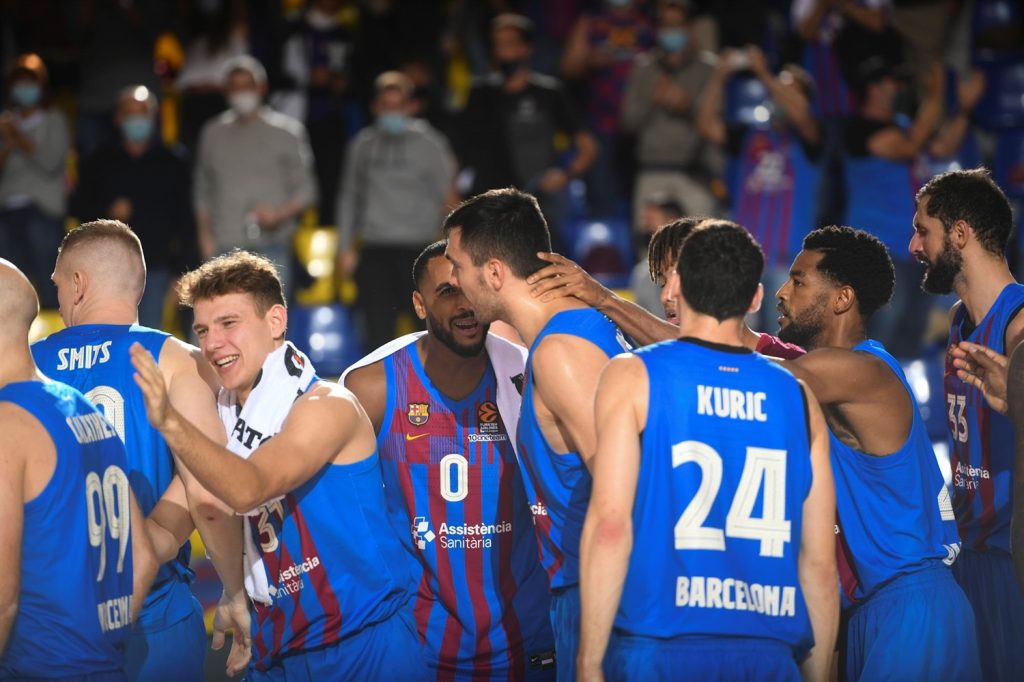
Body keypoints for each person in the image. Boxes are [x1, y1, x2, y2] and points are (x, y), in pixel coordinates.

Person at [129, 250, 425, 680]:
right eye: (203, 330)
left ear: (276, 321)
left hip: (363, 647)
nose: (212, 344)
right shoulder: (220, 424)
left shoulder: (327, 406)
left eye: (229, 323)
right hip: (275, 649)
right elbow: (163, 530)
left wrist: (172, 424)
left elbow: (249, 488)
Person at [577, 220, 838, 681]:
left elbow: (611, 526)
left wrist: (588, 661)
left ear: (675, 286)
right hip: (767, 653)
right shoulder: (797, 396)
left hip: (660, 644)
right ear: (755, 298)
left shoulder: (631, 376)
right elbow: (818, 563)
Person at [31, 219, 250, 680]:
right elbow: (208, 494)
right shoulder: (179, 360)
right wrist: (233, 589)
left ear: (78, 284)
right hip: (155, 619)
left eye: (57, 283)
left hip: (51, 624)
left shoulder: (24, 366)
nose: (58, 295)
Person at [342, 241, 556, 680]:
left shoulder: (530, 375)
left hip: (527, 636)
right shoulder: (371, 388)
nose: (465, 305)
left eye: (471, 289)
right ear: (419, 305)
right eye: (446, 292)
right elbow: (350, 524)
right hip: (419, 646)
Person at [443, 188, 631, 680]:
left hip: (603, 599)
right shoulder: (581, 330)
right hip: (593, 590)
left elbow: (628, 499)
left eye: (457, 266)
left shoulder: (561, 353)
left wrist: (593, 654)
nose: (453, 281)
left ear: (494, 273)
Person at [776, 225, 980, 680]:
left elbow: (740, 368)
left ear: (842, 298)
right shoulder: (841, 371)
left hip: (912, 606)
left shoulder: (863, 370)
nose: (782, 293)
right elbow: (737, 349)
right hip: (876, 606)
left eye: (799, 281)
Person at [0, 257, 158, 679]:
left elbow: (2, 598)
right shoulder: (84, 407)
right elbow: (143, 557)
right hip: (102, 664)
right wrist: (96, 648)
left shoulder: (7, 424)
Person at [910, 168, 1024, 682]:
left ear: (960, 233)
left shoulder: (1018, 323)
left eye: (923, 230)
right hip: (968, 551)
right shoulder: (959, 318)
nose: (913, 245)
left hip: (1010, 559)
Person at [525, 218, 805, 359]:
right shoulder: (652, 366)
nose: (667, 295)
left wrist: (603, 298)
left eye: (681, 278)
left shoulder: (790, 363)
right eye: (662, 281)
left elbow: (708, 354)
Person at [697, 46, 822, 333]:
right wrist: (719, 77)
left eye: (789, 90)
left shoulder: (812, 137)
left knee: (780, 341)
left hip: (787, 261)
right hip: (744, 259)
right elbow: (705, 124)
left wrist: (764, 73)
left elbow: (801, 116)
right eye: (778, 88)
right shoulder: (750, 134)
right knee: (736, 337)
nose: (779, 94)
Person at [335, 71, 457, 351]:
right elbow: (349, 197)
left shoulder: (431, 144)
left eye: (398, 105)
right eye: (386, 105)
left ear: (411, 106)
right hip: (375, 250)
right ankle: (384, 383)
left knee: (429, 332)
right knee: (377, 336)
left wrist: (456, 250)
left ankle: (430, 381)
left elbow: (449, 198)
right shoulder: (361, 145)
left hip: (420, 250)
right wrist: (345, 248)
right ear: (375, 107)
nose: (392, 112)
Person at [456, 14, 598, 247]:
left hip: (536, 202)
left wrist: (564, 175)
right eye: (498, 45)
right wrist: (453, 192)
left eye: (509, 44)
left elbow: (588, 148)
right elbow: (460, 149)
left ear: (526, 48)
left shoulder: (548, 93)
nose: (503, 52)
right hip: (487, 204)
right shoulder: (479, 95)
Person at [72, 85, 197, 329]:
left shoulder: (173, 161)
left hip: (157, 269)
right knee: (109, 337)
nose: (137, 120)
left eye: (143, 113)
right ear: (118, 118)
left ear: (154, 117)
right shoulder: (98, 161)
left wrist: (182, 272)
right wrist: (107, 212)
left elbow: (185, 221)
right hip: (107, 271)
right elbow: (79, 210)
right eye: (130, 113)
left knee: (147, 339)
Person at [194, 55, 317, 299]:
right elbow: (202, 188)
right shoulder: (212, 133)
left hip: (273, 246)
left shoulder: (287, 132)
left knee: (270, 318)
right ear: (226, 91)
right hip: (223, 246)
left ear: (262, 88)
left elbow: (307, 190)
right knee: (223, 316)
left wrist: (279, 214)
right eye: (235, 86)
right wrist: (205, 235)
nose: (242, 93)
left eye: (247, 85)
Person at [844, 58, 943, 357]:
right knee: (880, 336)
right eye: (891, 82)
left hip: (914, 246)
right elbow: (909, 147)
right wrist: (935, 96)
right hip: (880, 248)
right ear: (872, 89)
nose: (898, 88)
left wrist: (964, 110)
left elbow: (942, 147)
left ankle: (904, 387)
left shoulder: (901, 124)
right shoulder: (859, 129)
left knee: (911, 333)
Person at [621, 0, 716, 231]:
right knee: (650, 248)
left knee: (700, 245)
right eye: (666, 25)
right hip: (651, 171)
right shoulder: (643, 69)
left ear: (689, 28)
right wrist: (652, 100)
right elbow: (627, 123)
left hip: (694, 175)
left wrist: (687, 107)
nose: (671, 31)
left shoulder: (708, 70)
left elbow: (719, 127)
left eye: (677, 24)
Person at [0, 53, 69, 310]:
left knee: (49, 283)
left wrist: (17, 135)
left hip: (43, 212)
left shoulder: (55, 120)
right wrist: (8, 141)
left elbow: (50, 162)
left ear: (42, 85)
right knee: (8, 290)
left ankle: (53, 325)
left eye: (30, 82)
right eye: (19, 82)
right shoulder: (4, 124)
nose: (24, 88)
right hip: (7, 212)